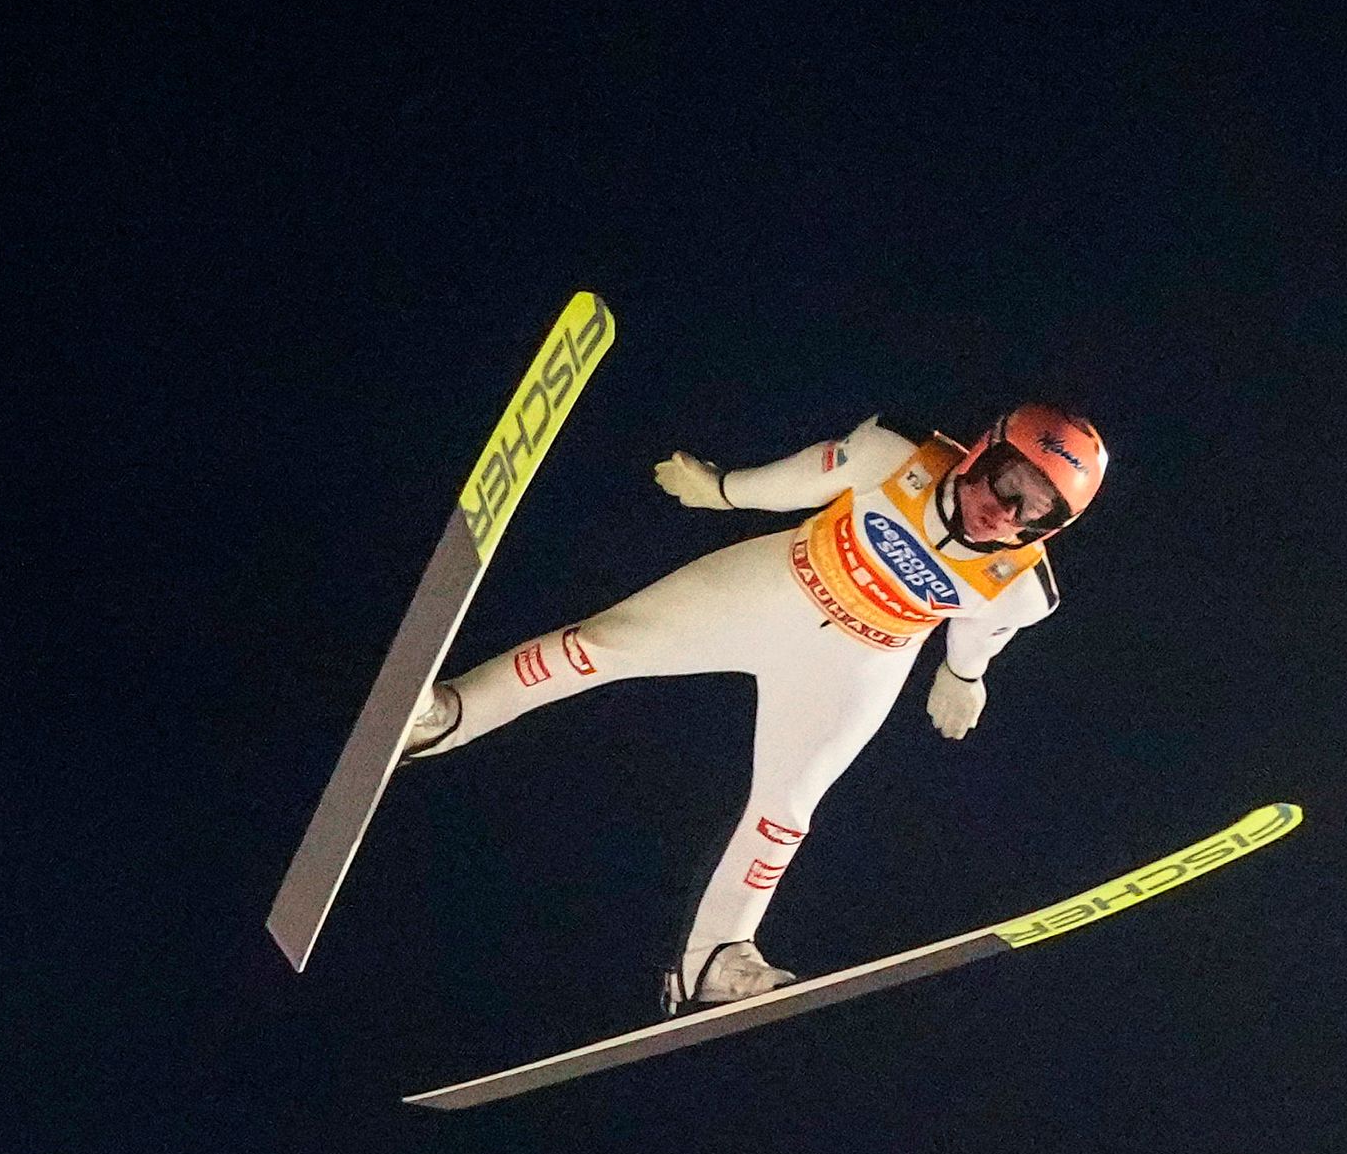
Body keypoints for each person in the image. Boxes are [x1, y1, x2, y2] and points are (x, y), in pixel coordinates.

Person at [400, 404, 1108, 1010]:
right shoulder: (897, 454)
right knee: (600, 647)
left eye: (1034, 509)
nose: (1003, 511)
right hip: (778, 585)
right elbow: (805, 476)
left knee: (787, 810)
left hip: (860, 664)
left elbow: (981, 632)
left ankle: (716, 960)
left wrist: (963, 674)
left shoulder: (1022, 586)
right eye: (1007, 481)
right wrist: (723, 490)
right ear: (985, 450)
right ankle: (448, 715)